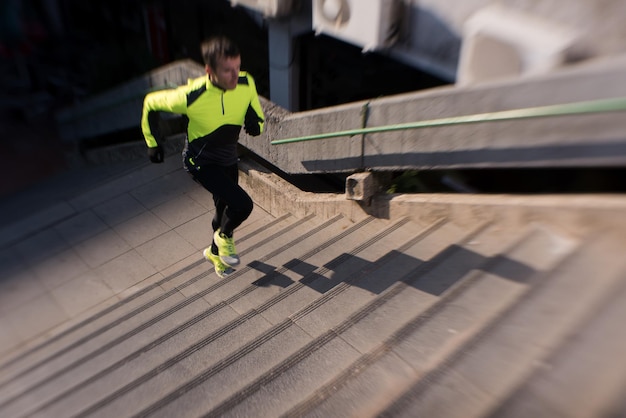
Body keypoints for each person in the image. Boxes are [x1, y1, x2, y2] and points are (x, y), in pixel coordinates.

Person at [141, 36, 265, 278]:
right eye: (227, 70)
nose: (235, 75)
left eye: (237, 67)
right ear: (209, 71)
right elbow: (150, 103)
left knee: (222, 212)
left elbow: (256, 111)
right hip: (200, 162)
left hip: (228, 159)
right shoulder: (191, 95)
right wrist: (152, 142)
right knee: (242, 205)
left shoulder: (245, 82)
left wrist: (255, 121)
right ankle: (225, 236)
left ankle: (214, 253)